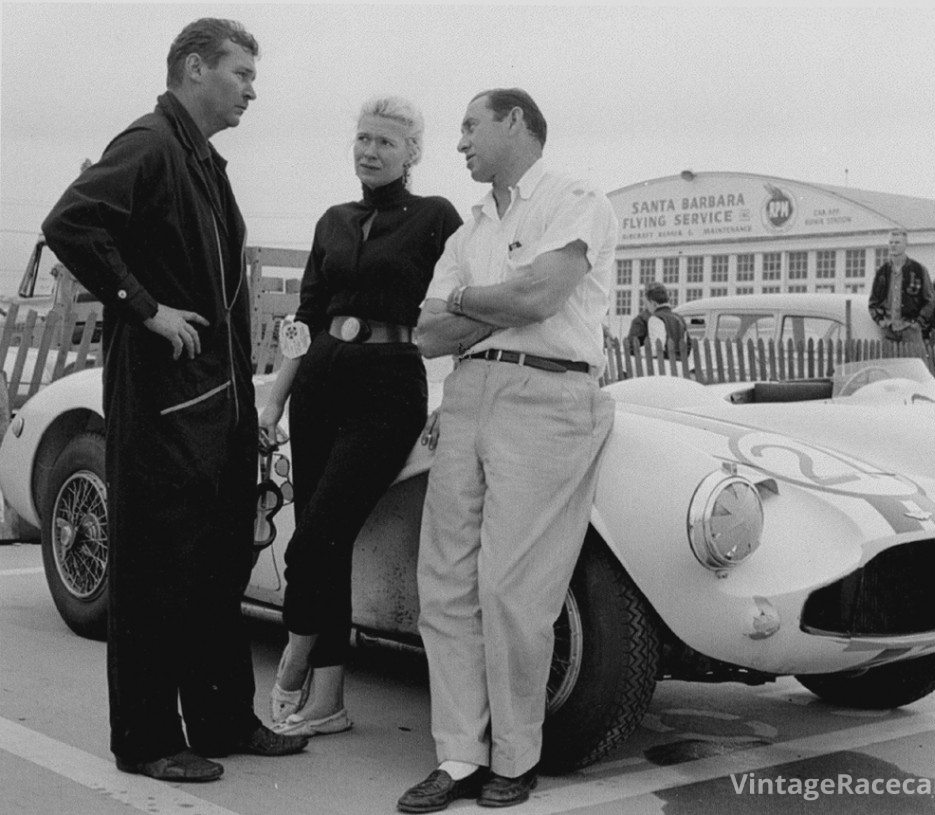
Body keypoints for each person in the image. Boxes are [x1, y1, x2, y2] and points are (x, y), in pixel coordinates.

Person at [41, 18, 308, 782]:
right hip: (163, 410)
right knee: (155, 575)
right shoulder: (151, 144)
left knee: (216, 568)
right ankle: (148, 739)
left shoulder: (201, 160)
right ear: (194, 69)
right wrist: (144, 306)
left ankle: (223, 719)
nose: (252, 90)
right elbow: (71, 223)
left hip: (215, 409)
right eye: (241, 74)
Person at [398, 88, 617, 812]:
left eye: (469, 126)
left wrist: (469, 304)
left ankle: (515, 756)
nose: (458, 142)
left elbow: (539, 298)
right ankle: (459, 755)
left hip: (549, 397)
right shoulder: (471, 232)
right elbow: (429, 334)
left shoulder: (574, 198)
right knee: (447, 581)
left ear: (515, 122)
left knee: (513, 588)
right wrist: (485, 302)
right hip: (467, 396)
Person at [259, 97, 462, 738]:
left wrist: (453, 395)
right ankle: (329, 700)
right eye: (363, 139)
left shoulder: (436, 218)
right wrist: (274, 397)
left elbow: (459, 312)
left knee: (319, 531)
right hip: (318, 381)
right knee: (327, 539)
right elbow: (305, 318)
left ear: (412, 154)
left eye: (385, 142)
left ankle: (296, 650)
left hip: (388, 386)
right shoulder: (332, 220)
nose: (370, 150)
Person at [868, 228, 935, 343]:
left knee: (913, 360)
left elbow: (930, 300)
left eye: (897, 242)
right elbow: (873, 302)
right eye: (891, 242)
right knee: (889, 361)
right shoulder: (882, 272)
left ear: (905, 245)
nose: (893, 245)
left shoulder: (918, 270)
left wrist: (919, 322)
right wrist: (879, 320)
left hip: (910, 329)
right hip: (888, 330)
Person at [625, 280, 690, 356]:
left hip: (663, 364)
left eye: (646, 304)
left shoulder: (655, 318)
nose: (646, 308)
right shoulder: (680, 318)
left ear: (654, 303)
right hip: (681, 364)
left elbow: (656, 349)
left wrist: (639, 352)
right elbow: (687, 345)